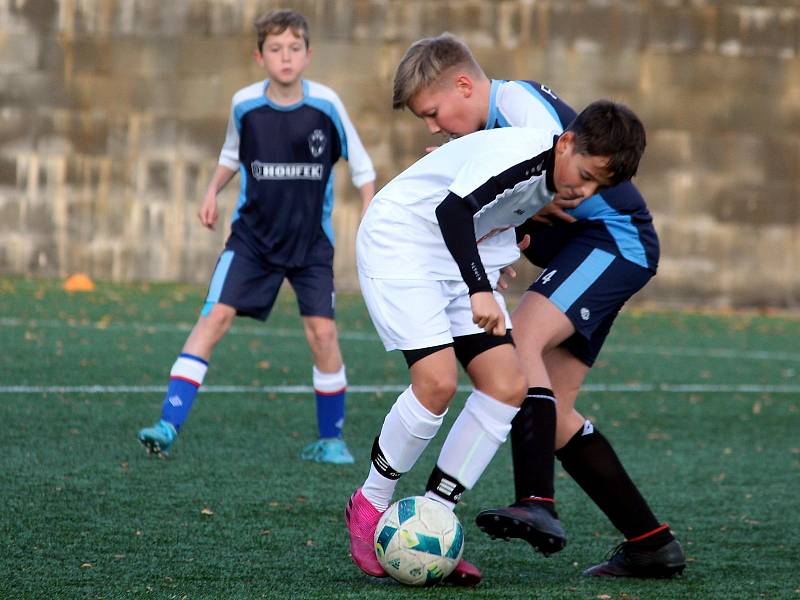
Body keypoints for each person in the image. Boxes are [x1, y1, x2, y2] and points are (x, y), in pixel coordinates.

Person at [390, 33, 686, 578]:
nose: (432, 126)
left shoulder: (521, 111)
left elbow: (562, 196)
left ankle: (537, 502)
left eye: (433, 113)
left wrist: (493, 204)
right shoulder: (495, 130)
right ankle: (651, 544)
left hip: (612, 243)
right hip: (591, 249)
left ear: (463, 85)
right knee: (553, 416)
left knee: (518, 340)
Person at [345, 100, 647, 587]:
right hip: (401, 243)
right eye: (586, 176)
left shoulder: (554, 176)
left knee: (507, 385)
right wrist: (479, 287)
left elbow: (493, 216)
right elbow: (453, 209)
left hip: (450, 257)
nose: (584, 191)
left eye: (598, 187)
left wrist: (499, 256)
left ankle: (434, 520)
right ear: (566, 142)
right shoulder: (525, 154)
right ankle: (369, 503)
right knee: (436, 383)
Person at [136, 9, 375, 465]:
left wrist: (368, 209)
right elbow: (231, 154)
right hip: (251, 241)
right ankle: (167, 424)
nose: (285, 57)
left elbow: (363, 167)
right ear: (259, 55)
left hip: (310, 244)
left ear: (308, 54)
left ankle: (331, 440)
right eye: (275, 49)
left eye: (294, 48)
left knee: (322, 334)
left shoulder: (326, 104)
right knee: (214, 318)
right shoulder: (244, 104)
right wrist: (211, 191)